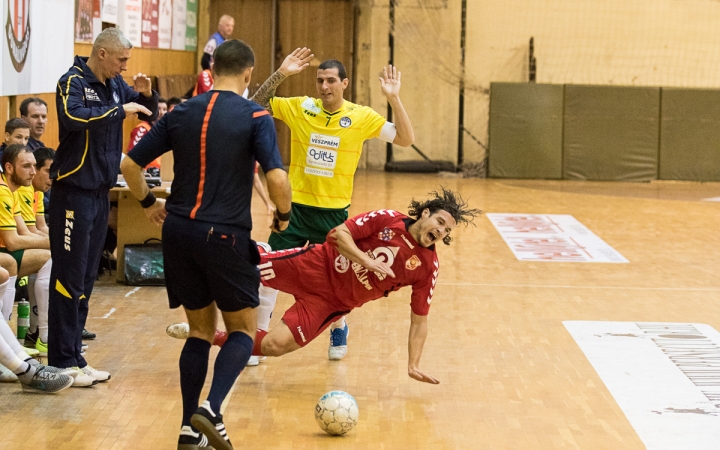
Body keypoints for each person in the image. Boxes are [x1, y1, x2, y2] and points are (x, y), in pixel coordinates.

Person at [121, 39, 291, 450]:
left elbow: (128, 164)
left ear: (211, 70)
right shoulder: (255, 114)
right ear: (249, 73)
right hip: (225, 234)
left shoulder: (180, 112)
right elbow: (278, 180)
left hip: (178, 232)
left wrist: (147, 203)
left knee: (199, 330)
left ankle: (187, 427)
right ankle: (212, 409)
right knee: (242, 331)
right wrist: (283, 216)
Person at [167, 189, 481, 384]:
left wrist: (413, 363)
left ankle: (212, 337)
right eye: (439, 222)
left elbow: (420, 320)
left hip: (331, 303)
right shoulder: (388, 219)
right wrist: (366, 261)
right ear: (425, 213)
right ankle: (201, 246)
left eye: (446, 230)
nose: (440, 231)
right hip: (314, 266)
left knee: (276, 346)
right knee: (247, 266)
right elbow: (336, 235)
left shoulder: (427, 267)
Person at [250, 48, 415, 361]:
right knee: (269, 268)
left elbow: (406, 139)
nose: (324, 86)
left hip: (334, 215)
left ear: (344, 84)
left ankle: (339, 326)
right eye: (319, 80)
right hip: (295, 211)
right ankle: (257, 339)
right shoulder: (301, 107)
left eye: (330, 81)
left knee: (337, 280)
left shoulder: (361, 117)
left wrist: (394, 98)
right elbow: (254, 106)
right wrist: (282, 73)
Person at [49, 27, 158, 382]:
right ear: (102, 54)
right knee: (68, 277)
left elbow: (146, 113)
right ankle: (61, 360)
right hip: (72, 194)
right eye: (122, 60)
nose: (125, 67)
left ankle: (75, 357)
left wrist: (146, 93)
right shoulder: (72, 82)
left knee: (86, 276)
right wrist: (117, 109)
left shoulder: (114, 85)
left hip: (100, 194)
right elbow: (73, 118)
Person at [126, 97, 168, 170]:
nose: (161, 113)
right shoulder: (142, 129)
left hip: (160, 172)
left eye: (164, 109)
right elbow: (132, 156)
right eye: (159, 109)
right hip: (146, 173)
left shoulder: (164, 130)